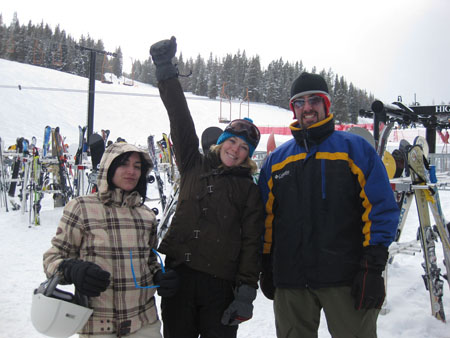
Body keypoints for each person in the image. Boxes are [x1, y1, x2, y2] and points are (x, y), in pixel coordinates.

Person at [258, 72, 400, 337]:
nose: (307, 107)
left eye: (314, 100)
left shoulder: (355, 149)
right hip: (292, 281)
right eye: (299, 102)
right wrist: (266, 263)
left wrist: (373, 266)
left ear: (326, 105)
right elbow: (265, 219)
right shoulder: (276, 161)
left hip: (347, 279)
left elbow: (380, 208)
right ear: (293, 110)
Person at [149, 36, 264, 338]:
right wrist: (166, 71)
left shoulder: (250, 191)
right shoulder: (192, 164)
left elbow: (252, 242)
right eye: (232, 142)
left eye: (244, 147)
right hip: (179, 280)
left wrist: (246, 291)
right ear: (222, 142)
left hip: (221, 288)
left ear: (248, 156)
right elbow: (180, 118)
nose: (236, 150)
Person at [43, 141, 179, 338]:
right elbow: (51, 259)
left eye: (137, 166)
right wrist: (71, 269)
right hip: (98, 325)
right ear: (109, 167)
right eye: (124, 163)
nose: (131, 171)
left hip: (144, 323)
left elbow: (148, 259)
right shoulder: (81, 208)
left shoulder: (146, 215)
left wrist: (159, 276)